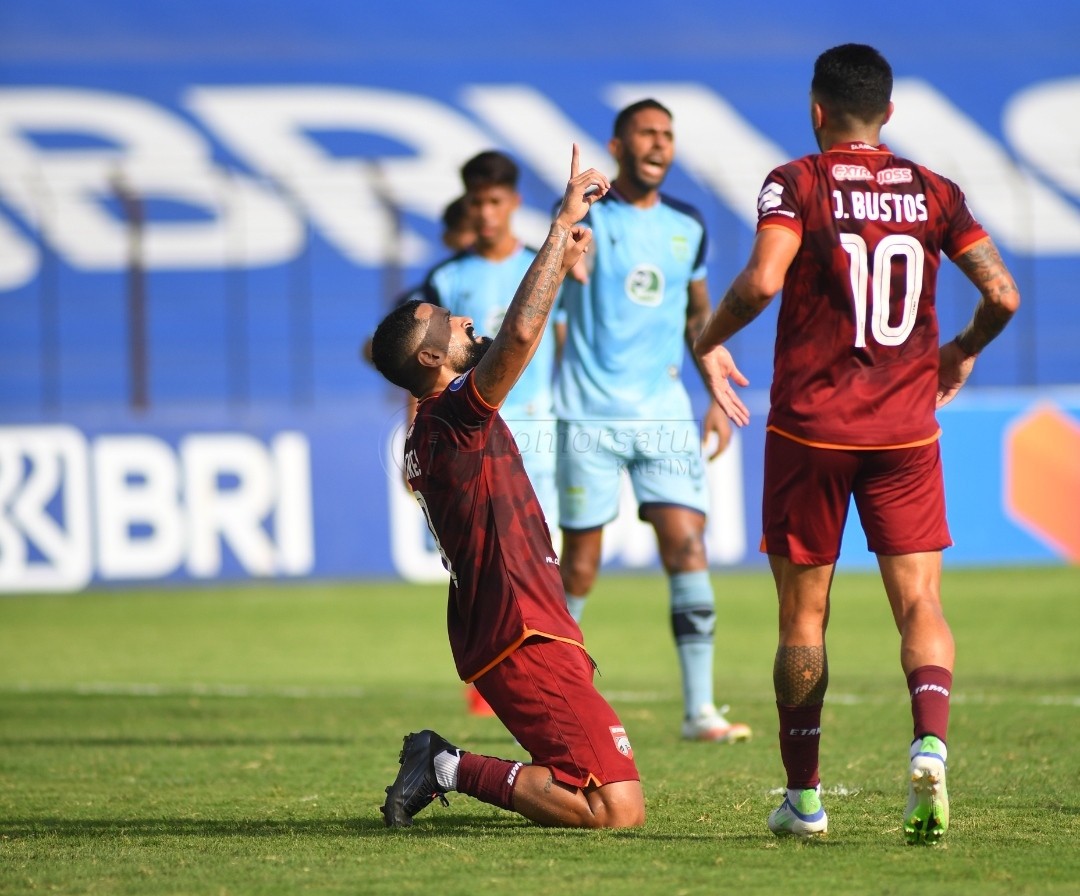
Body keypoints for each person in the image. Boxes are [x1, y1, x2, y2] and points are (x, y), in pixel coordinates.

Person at [692, 44, 1019, 844]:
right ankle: (931, 742)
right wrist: (965, 347)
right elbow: (1002, 294)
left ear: (816, 110)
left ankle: (804, 801)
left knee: (804, 621)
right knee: (921, 602)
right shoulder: (936, 192)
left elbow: (763, 281)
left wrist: (707, 337)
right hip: (905, 431)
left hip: (811, 430)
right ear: (890, 112)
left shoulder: (797, 181)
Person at [369, 146, 645, 829]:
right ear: (432, 358)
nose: (462, 319)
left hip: (529, 624)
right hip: (520, 634)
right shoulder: (453, 416)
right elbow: (520, 335)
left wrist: (557, 255)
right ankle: (445, 765)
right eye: (447, 322)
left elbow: (518, 330)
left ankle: (448, 763)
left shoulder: (439, 424)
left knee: (611, 800)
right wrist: (557, 227)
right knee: (615, 811)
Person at [554, 98, 750, 744]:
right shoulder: (590, 218)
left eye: (668, 133)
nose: (660, 143)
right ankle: (553, 696)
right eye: (647, 132)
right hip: (589, 414)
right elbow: (553, 277)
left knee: (687, 545)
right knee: (580, 563)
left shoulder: (687, 225)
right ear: (618, 145)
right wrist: (565, 237)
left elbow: (700, 317)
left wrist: (715, 390)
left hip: (664, 415)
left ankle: (700, 711)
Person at [420, 151, 561, 529]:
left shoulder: (541, 268)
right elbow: (428, 362)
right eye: (476, 203)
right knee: (484, 549)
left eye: (494, 202)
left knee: (544, 552)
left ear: (515, 202)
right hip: (474, 425)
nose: (485, 213)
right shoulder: (446, 277)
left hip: (536, 426)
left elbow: (564, 343)